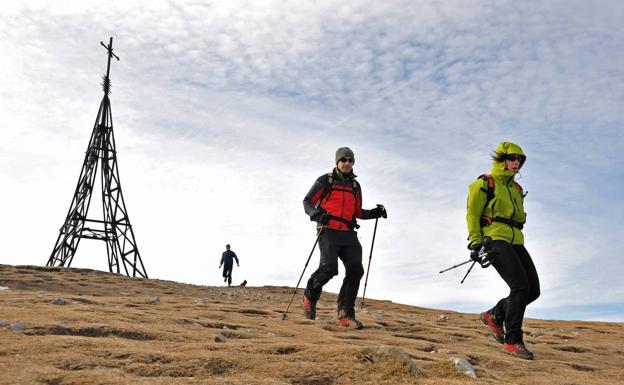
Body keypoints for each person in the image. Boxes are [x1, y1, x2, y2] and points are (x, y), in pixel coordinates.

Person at [466, 141, 540, 360]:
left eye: (520, 159)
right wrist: (476, 243)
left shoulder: (516, 188)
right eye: (512, 158)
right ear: (501, 159)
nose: (516, 163)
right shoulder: (484, 183)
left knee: (533, 291)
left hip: (516, 239)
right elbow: (472, 214)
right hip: (494, 238)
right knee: (519, 287)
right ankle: (513, 341)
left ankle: (494, 315)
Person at [302, 147, 387, 329]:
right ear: (337, 162)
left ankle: (346, 315)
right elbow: (307, 201)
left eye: (351, 160)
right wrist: (317, 215)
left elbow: (357, 212)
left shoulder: (355, 186)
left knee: (356, 270)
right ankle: (310, 295)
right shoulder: (325, 181)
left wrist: (375, 212)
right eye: (344, 160)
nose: (347, 163)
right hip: (328, 230)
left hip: (348, 233)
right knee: (329, 269)